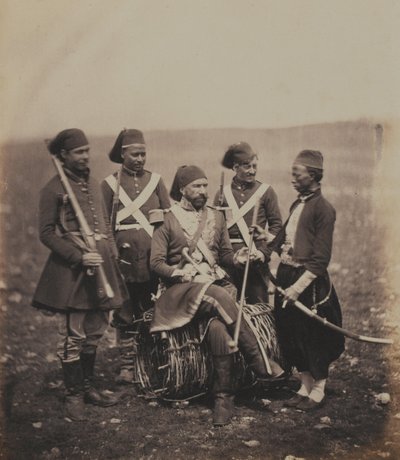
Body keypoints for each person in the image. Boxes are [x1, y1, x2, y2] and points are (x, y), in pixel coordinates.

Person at [150, 165, 284, 426]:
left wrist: (237, 256)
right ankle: (260, 361)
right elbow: (156, 263)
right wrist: (179, 272)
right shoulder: (167, 218)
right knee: (215, 294)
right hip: (179, 293)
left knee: (218, 328)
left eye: (204, 185)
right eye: (196, 186)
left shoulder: (217, 217)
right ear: (182, 190)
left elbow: (223, 256)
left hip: (213, 290)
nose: (202, 191)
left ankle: (223, 398)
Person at [32, 128, 128, 422]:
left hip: (103, 266)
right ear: (63, 155)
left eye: (87, 150)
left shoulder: (94, 184)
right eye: (78, 152)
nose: (85, 156)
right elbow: (47, 234)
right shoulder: (53, 189)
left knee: (96, 330)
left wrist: (112, 257)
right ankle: (73, 392)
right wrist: (79, 256)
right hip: (73, 270)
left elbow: (105, 227)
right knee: (72, 334)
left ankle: (88, 387)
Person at [253, 150, 345, 411]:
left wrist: (295, 289)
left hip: (309, 284)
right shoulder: (297, 204)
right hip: (287, 275)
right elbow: (284, 239)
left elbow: (320, 260)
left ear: (313, 176)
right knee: (291, 332)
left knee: (313, 335)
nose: (292, 178)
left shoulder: (324, 210)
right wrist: (266, 237)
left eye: (297, 173)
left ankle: (318, 390)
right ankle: (304, 385)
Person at [101, 129, 170, 384]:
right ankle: (127, 367)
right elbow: (105, 226)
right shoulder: (109, 184)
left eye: (144, 154)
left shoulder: (156, 181)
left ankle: (154, 362)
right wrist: (113, 254)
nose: (141, 159)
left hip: (154, 258)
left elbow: (169, 218)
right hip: (125, 261)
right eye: (135, 154)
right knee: (125, 312)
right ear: (123, 154)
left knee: (153, 309)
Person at [214, 142, 282, 304]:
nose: (252, 171)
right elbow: (215, 229)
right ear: (235, 167)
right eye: (247, 166)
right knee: (228, 308)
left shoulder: (266, 191)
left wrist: (263, 253)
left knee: (259, 308)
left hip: (255, 261)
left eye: (254, 166)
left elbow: (276, 227)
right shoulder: (222, 194)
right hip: (229, 261)